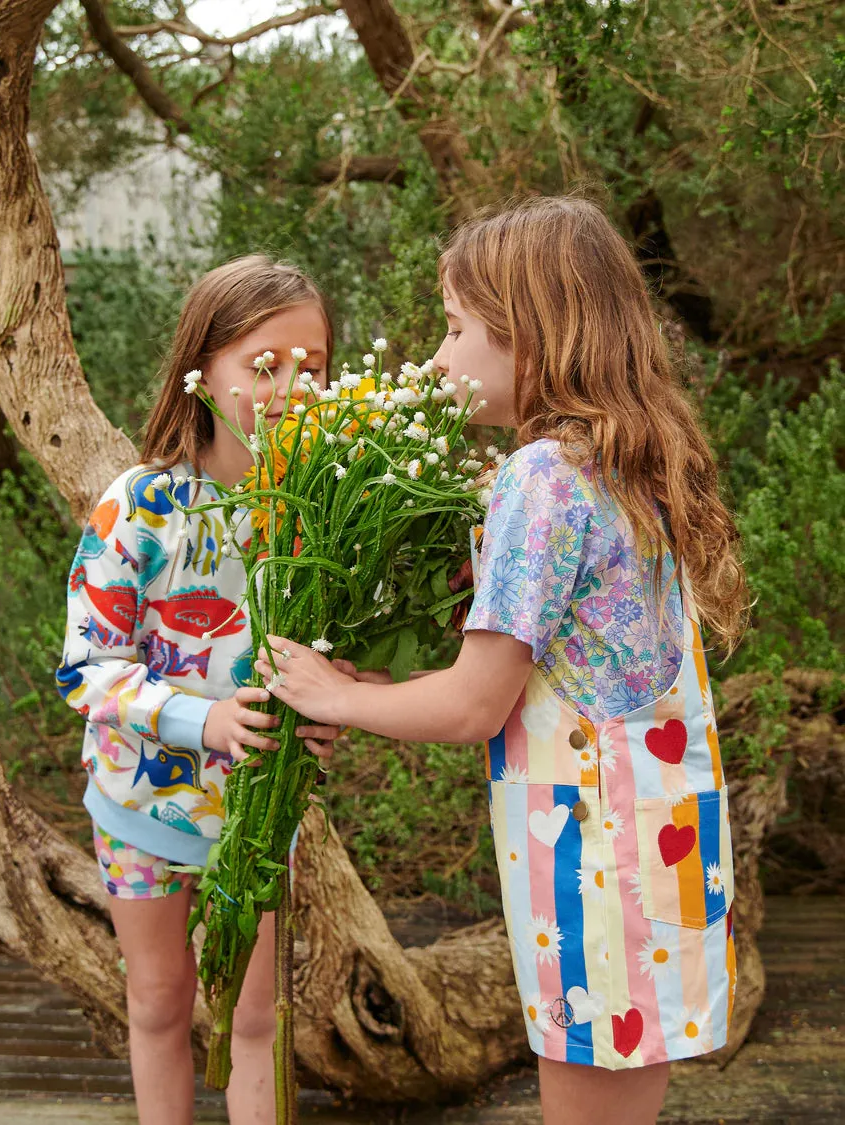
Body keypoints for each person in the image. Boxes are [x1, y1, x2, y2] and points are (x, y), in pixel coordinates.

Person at [253, 197, 750, 1125]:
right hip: (666, 837)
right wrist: (390, 686)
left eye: (454, 330)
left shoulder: (541, 476)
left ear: (531, 334)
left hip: (591, 861)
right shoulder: (637, 460)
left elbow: (475, 706)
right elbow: (554, 669)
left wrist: (332, 694)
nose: (438, 358)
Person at [56, 256, 341, 1125]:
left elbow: (331, 650)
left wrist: (334, 701)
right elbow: (86, 668)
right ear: (203, 367)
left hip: (259, 817)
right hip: (138, 805)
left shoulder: (321, 508)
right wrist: (201, 718)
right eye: (265, 365)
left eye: (314, 367)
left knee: (257, 1019)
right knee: (158, 1003)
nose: (292, 385)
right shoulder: (140, 505)